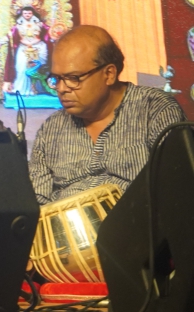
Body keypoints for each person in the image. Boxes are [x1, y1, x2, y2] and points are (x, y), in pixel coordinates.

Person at [28, 25, 185, 205]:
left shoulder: (155, 110)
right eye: (57, 79)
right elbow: (37, 203)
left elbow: (175, 191)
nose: (61, 89)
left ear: (109, 74)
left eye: (73, 78)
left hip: (137, 220)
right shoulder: (51, 129)